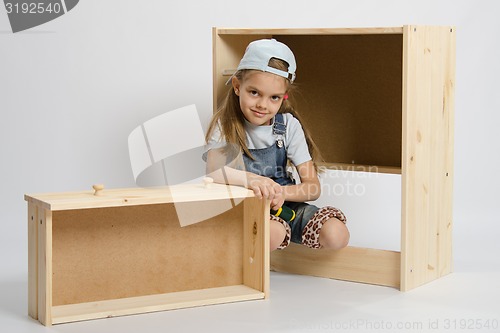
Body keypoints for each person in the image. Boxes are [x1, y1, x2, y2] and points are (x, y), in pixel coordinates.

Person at [205, 39, 349, 251]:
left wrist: (282, 193)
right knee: (274, 232)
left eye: (274, 97)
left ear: (284, 97)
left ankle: (279, 234)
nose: (263, 105)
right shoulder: (225, 124)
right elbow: (213, 172)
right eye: (254, 92)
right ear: (237, 86)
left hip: (285, 206)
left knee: (337, 234)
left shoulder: (288, 126)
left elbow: (313, 187)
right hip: (245, 207)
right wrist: (254, 180)